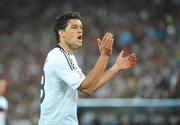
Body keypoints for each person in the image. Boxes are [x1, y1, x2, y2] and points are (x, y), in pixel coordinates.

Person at [39, 11, 137, 125]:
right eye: (74, 27)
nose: (80, 30)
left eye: (80, 27)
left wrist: (115, 68)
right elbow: (87, 88)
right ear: (61, 33)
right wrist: (104, 56)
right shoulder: (60, 56)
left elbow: (91, 85)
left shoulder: (65, 56)